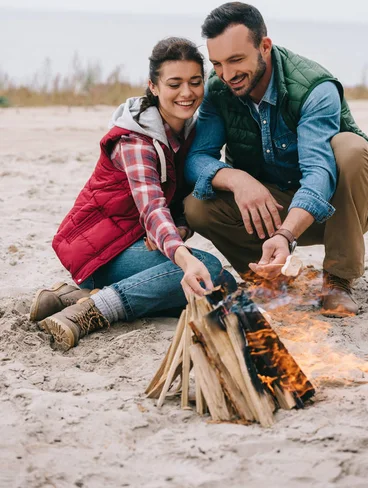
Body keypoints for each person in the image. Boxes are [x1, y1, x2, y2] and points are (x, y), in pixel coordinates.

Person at [184, 2, 368, 318]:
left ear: (264, 47)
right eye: (218, 63)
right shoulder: (218, 88)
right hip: (272, 205)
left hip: (340, 209)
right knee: (196, 205)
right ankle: (267, 276)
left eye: (236, 60)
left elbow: (319, 171)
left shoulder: (313, 87)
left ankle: (338, 279)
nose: (227, 75)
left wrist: (286, 235)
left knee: (352, 150)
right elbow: (197, 158)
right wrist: (238, 180)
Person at [30, 37, 234, 350]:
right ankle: (91, 311)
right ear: (153, 86)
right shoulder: (136, 140)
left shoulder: (189, 131)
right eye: (174, 83)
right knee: (207, 268)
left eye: (195, 82)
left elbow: (181, 201)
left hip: (135, 243)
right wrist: (182, 255)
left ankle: (73, 297)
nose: (187, 93)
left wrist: (179, 229)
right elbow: (152, 207)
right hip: (100, 252)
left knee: (224, 287)